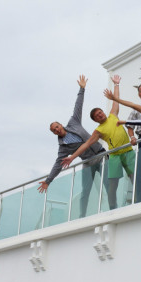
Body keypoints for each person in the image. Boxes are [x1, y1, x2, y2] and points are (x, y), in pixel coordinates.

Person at [61, 75, 135, 211]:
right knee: (112, 186)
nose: (100, 115)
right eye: (97, 115)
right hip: (114, 156)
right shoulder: (99, 130)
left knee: (133, 177)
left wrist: (116, 84)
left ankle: (139, 199)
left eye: (100, 112)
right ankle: (113, 208)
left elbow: (116, 100)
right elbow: (85, 145)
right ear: (95, 120)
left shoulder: (113, 115)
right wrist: (72, 157)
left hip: (128, 151)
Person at [37, 75, 105, 217]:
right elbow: (58, 165)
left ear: (61, 125)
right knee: (86, 190)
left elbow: (78, 106)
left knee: (106, 184)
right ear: (54, 133)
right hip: (88, 162)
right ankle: (82, 216)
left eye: (57, 126)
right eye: (54, 130)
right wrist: (48, 181)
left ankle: (110, 207)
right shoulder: (63, 147)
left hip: (100, 154)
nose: (56, 129)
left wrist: (82, 89)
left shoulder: (74, 122)